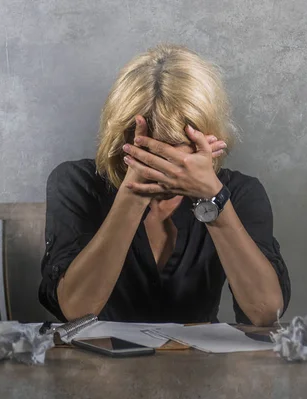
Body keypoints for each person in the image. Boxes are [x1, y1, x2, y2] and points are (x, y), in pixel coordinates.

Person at [39, 44, 290, 326]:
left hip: (202, 365)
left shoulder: (241, 193)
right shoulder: (76, 184)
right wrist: (134, 195)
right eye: (148, 150)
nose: (161, 164)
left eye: (173, 149)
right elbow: (76, 310)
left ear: (208, 141)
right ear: (122, 141)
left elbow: (266, 312)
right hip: (100, 365)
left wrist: (214, 198)